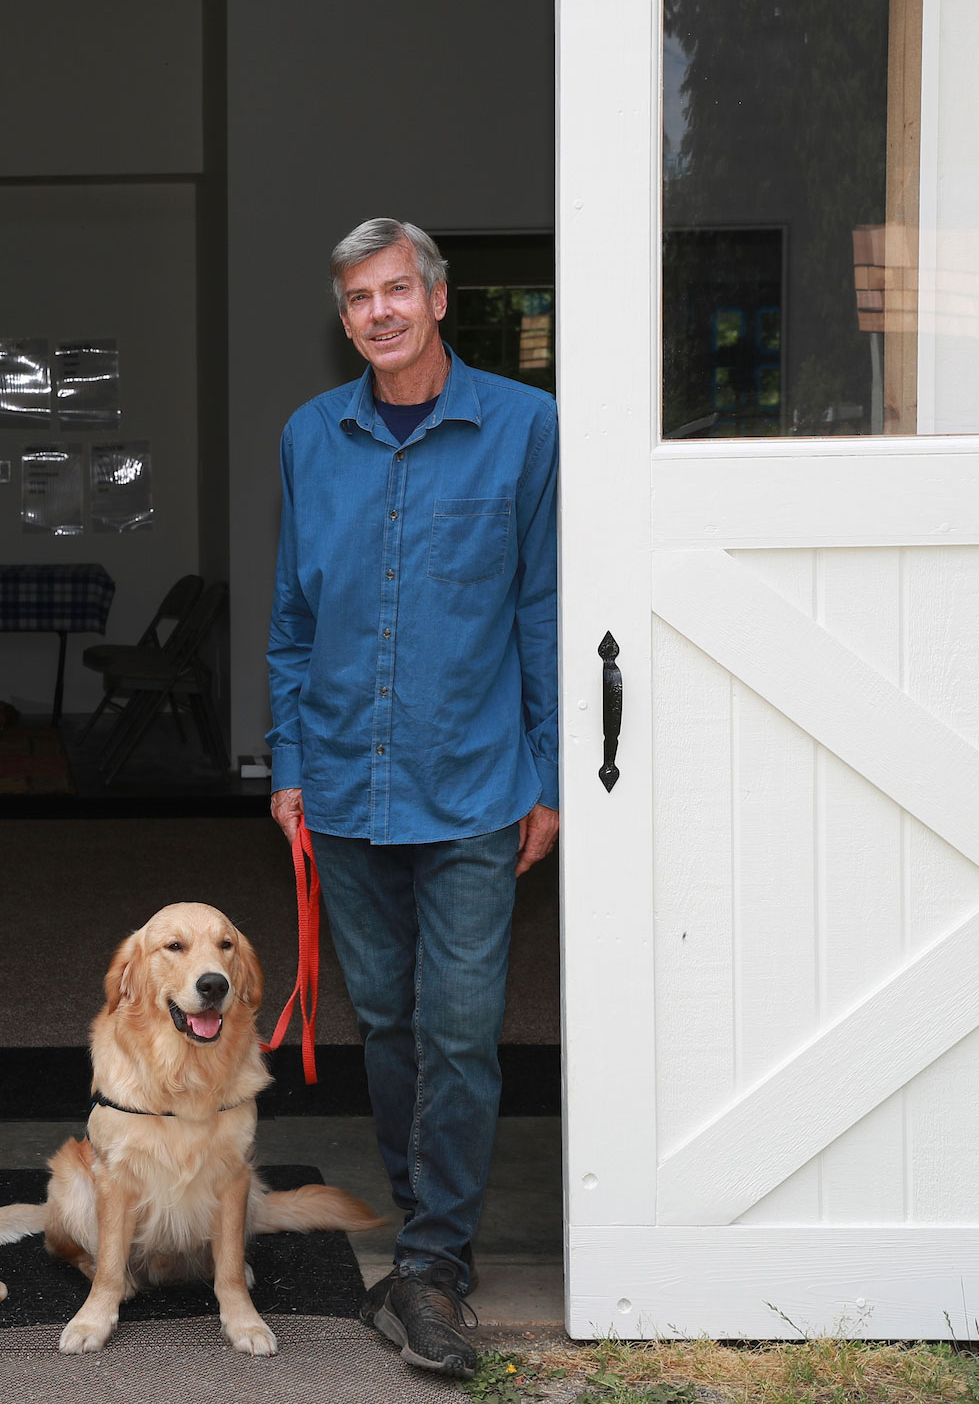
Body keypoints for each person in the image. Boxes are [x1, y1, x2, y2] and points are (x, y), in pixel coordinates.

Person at [266, 219, 558, 1378]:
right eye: (357, 299)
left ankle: (434, 1258)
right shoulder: (309, 437)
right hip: (342, 782)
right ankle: (421, 1221)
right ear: (343, 320)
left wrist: (548, 774)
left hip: (478, 782)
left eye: (398, 290)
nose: (379, 312)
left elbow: (541, 606)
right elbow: (292, 615)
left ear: (440, 299)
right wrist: (286, 762)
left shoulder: (525, 428)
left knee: (461, 1026)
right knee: (385, 1021)